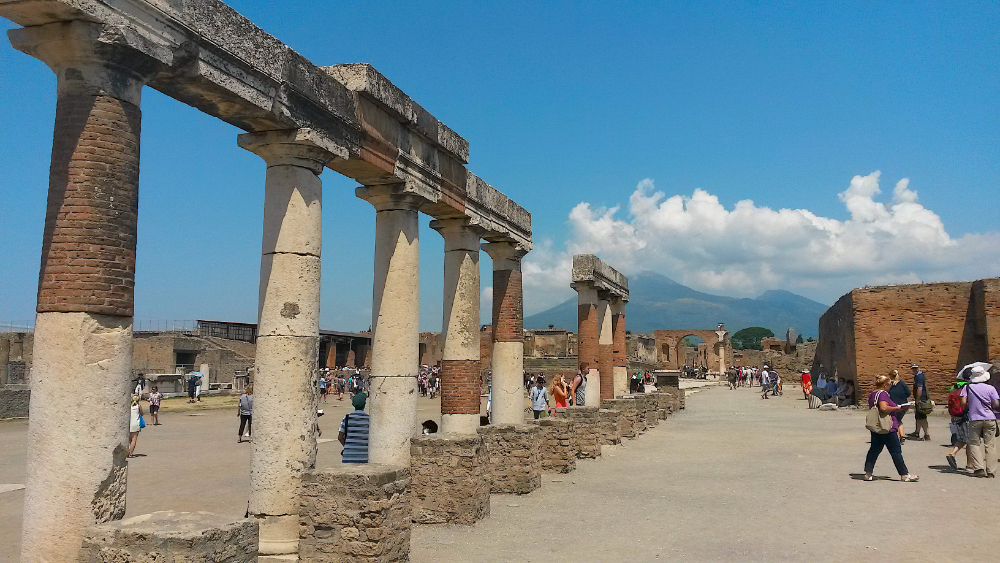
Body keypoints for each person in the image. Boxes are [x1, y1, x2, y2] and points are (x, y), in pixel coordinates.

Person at [863, 374, 919, 482]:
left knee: (874, 450)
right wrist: (898, 408)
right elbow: (884, 407)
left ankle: (868, 473)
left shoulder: (873, 393)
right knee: (896, 451)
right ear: (885, 385)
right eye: (889, 385)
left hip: (877, 426)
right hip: (887, 427)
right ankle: (904, 474)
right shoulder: (883, 394)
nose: (890, 387)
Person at [960, 365, 999, 477]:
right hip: (990, 418)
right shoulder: (990, 388)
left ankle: (979, 469)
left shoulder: (968, 387)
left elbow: (963, 402)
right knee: (990, 445)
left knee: (974, 443)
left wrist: (970, 406)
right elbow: (996, 404)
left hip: (974, 418)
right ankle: (991, 471)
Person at [946, 371, 972, 471]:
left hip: (956, 414)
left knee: (963, 437)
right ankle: (968, 463)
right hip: (966, 415)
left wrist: (952, 415)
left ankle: (954, 454)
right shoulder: (969, 387)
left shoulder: (955, 386)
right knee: (969, 439)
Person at [339, 392, 370, 463]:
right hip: (364, 457)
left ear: (353, 405)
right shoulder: (369, 419)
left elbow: (340, 437)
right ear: (365, 404)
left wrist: (347, 447)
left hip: (348, 457)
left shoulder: (347, 418)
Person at [907, 363, 931, 441]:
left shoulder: (920, 376)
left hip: (921, 400)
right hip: (921, 399)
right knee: (918, 417)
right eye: (913, 368)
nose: (914, 370)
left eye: (915, 368)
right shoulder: (918, 376)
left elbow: (920, 388)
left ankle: (927, 435)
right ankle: (917, 432)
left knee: (922, 417)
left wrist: (917, 399)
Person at [887, 370, 911, 441]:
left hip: (894, 405)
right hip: (904, 405)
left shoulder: (889, 384)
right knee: (898, 420)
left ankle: (897, 438)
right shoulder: (902, 383)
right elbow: (908, 393)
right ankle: (902, 436)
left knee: (895, 421)